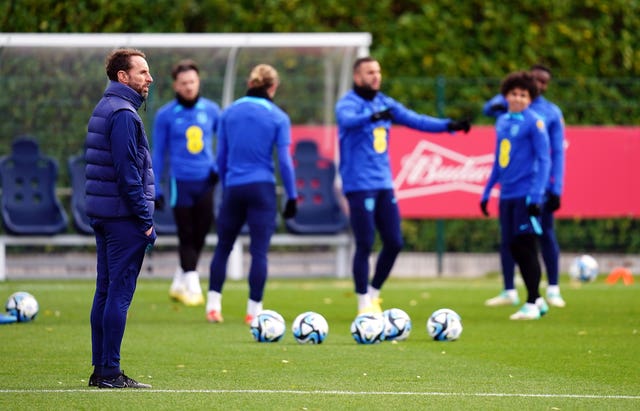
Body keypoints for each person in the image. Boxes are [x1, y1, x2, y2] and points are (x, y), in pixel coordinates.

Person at [335, 56, 471, 315]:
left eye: (378, 71)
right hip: (358, 184)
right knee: (365, 243)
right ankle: (363, 302)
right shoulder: (348, 104)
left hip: (384, 182)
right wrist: (372, 116)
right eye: (369, 72)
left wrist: (448, 126)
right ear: (357, 77)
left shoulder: (385, 102)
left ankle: (374, 292)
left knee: (395, 241)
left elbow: (416, 120)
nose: (375, 76)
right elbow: (347, 120)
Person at [85, 48, 156, 388]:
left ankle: (101, 371)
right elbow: (128, 174)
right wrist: (145, 220)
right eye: (142, 72)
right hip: (123, 217)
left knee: (104, 293)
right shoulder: (124, 114)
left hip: (106, 214)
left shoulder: (106, 107)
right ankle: (110, 372)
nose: (150, 78)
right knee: (118, 295)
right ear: (122, 77)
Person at [206, 64, 297, 325]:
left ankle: (213, 306)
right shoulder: (279, 117)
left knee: (223, 246)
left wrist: (225, 187)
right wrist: (291, 196)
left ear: (250, 82)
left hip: (234, 187)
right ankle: (253, 312)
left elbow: (221, 158)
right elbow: (285, 162)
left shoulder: (229, 113)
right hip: (262, 189)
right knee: (259, 252)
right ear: (273, 87)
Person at [482, 64, 566, 308]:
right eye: (514, 93)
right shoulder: (503, 120)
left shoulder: (542, 118)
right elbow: (500, 158)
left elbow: (551, 155)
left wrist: (549, 189)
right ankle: (513, 291)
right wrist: (487, 191)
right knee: (511, 243)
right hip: (507, 192)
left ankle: (542, 294)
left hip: (532, 190)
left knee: (531, 242)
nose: (518, 97)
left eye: (523, 94)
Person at [152, 59, 221, 307]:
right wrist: (155, 187)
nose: (189, 86)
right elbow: (158, 153)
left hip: (206, 181)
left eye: (192, 81)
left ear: (198, 81)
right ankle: (193, 286)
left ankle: (180, 279)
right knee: (186, 233)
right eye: (184, 83)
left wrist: (217, 169)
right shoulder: (166, 115)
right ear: (175, 86)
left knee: (201, 233)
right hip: (179, 181)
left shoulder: (212, 110)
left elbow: (222, 143)